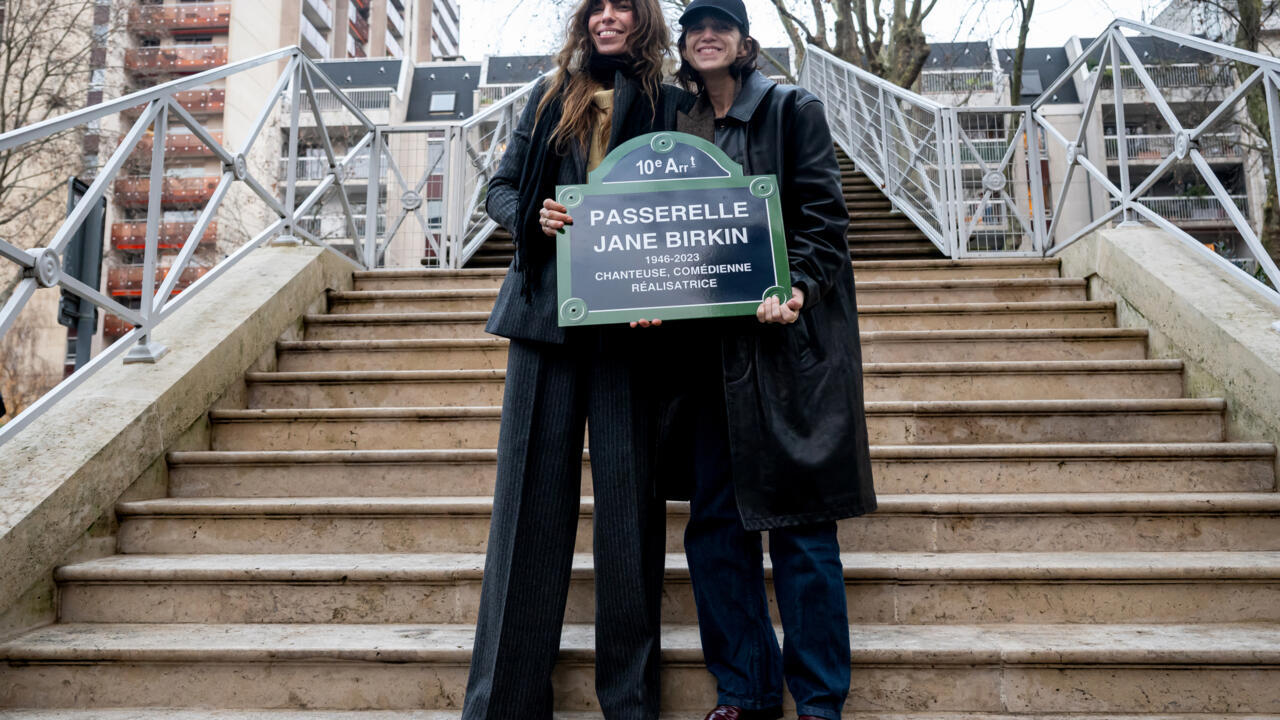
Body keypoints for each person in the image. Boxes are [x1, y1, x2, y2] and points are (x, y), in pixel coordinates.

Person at [460, 1, 688, 719]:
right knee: (528, 509)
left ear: (642, 20)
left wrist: (671, 288)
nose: (608, 16)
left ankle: (630, 703)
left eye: (623, 5)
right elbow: (499, 188)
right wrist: (533, 213)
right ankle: (505, 702)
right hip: (543, 319)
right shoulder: (546, 95)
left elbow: (687, 208)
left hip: (630, 327)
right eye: (598, 5)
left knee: (630, 517)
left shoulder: (670, 102)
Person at [651, 1, 879, 718]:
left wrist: (800, 290)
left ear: (745, 42)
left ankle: (818, 702)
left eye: (720, 25)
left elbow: (824, 219)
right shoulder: (671, 126)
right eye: (693, 28)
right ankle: (744, 692)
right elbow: (657, 228)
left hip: (784, 354)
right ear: (683, 46)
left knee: (802, 531)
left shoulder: (792, 108)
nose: (705, 36)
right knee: (716, 529)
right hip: (704, 359)